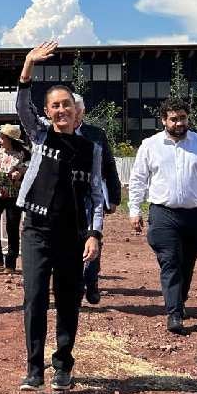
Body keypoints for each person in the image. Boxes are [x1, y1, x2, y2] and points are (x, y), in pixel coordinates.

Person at [15, 41, 104, 392]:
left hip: (72, 234)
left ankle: (63, 364)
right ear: (48, 112)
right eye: (54, 105)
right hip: (36, 229)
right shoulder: (39, 135)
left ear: (76, 111)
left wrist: (94, 233)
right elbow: (23, 105)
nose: (60, 110)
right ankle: (34, 369)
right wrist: (27, 66)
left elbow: (97, 194)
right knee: (35, 298)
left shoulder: (91, 149)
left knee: (68, 301)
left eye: (66, 104)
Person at [129, 99, 197, 335]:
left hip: (195, 214)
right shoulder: (150, 146)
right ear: (163, 120)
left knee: (187, 262)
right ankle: (173, 313)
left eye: (182, 117)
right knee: (170, 260)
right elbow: (138, 179)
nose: (178, 123)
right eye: (173, 118)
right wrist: (134, 209)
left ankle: (180, 300)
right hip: (163, 213)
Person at [72, 93, 122, 305]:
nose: (71, 114)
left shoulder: (96, 134)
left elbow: (109, 165)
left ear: (82, 112)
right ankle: (74, 284)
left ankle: (91, 282)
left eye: (76, 110)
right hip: (65, 198)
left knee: (93, 238)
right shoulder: (53, 134)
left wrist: (114, 196)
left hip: (92, 196)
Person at [0, 124, 30, 273]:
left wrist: (21, 173)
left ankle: (10, 262)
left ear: (10, 139)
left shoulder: (23, 153)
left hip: (14, 196)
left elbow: (31, 169)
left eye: (2, 137)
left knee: (12, 228)